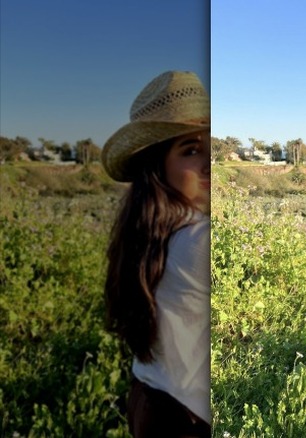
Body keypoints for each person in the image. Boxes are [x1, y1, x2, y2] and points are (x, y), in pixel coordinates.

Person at [101, 70, 211, 437]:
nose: (209, 164)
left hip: (150, 395)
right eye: (192, 150)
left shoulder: (149, 228)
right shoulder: (196, 239)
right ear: (158, 164)